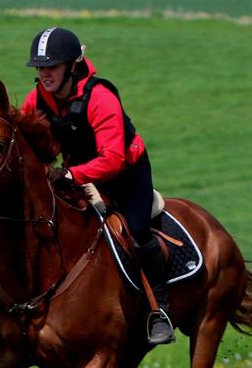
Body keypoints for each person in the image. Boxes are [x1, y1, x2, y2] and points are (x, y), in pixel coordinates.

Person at [21, 27, 174, 345]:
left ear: (72, 66)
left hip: (125, 176)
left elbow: (113, 159)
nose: (44, 73)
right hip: (74, 176)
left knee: (137, 231)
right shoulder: (35, 101)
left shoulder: (100, 97)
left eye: (52, 66)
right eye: (40, 67)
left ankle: (160, 310)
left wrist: (70, 176)